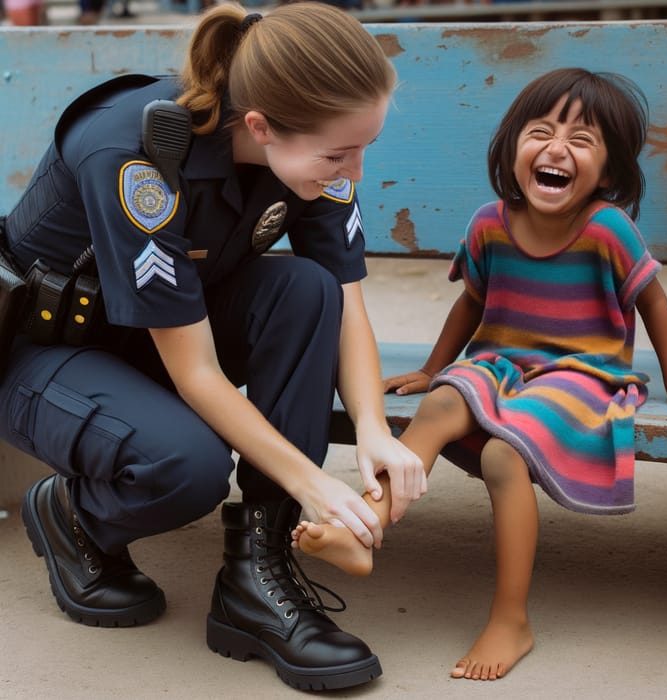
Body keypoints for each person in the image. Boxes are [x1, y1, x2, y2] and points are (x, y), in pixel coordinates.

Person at [0, 2, 425, 691]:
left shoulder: (311, 143)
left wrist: (374, 428)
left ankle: (258, 573)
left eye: (364, 147)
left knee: (306, 288)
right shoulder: (133, 156)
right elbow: (195, 371)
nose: (356, 171)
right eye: (340, 154)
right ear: (260, 126)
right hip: (47, 359)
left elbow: (344, 298)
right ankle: (72, 516)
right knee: (186, 464)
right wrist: (313, 481)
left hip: (160, 338)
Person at [292, 68, 667, 680]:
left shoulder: (607, 228)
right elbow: (472, 304)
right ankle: (366, 528)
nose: (557, 149)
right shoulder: (489, 223)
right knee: (439, 408)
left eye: (582, 140)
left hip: (584, 374)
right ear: (512, 150)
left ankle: (512, 617)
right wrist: (434, 369)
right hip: (499, 362)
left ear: (609, 173)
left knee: (505, 455)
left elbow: (654, 302)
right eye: (541, 132)